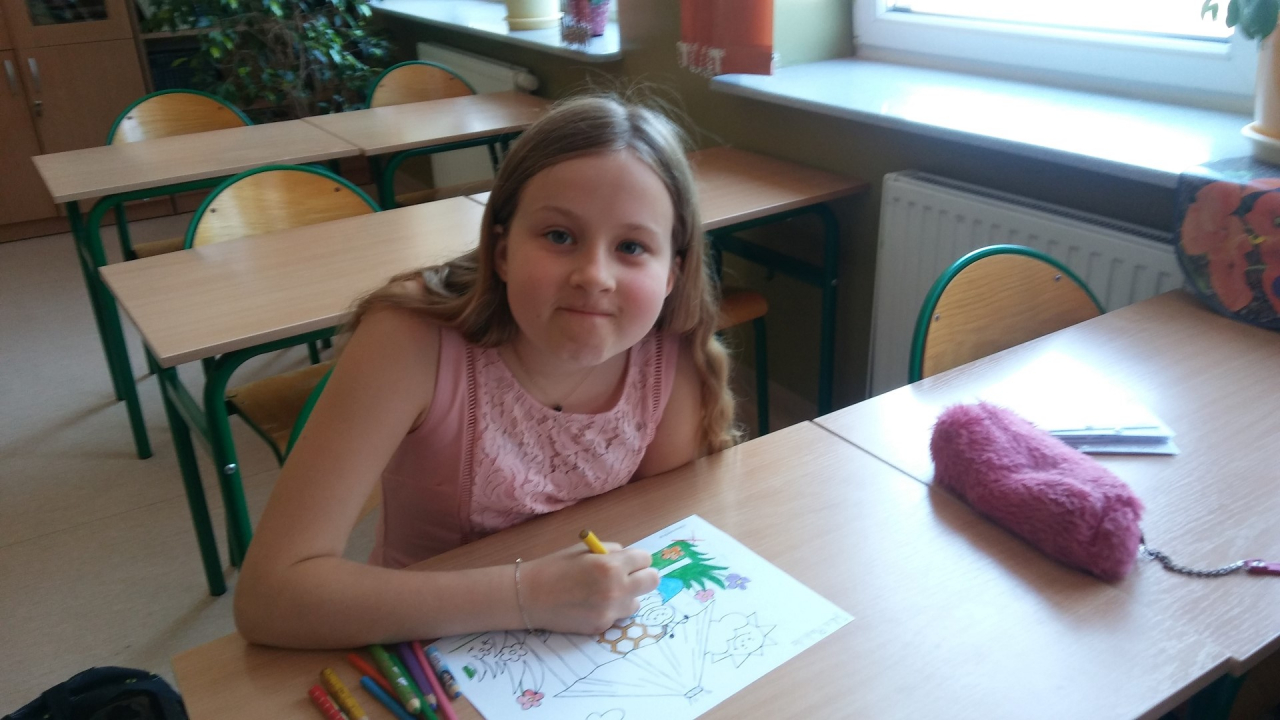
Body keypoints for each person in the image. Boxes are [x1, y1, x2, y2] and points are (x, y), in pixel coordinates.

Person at [234, 95, 740, 649]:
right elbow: (268, 596)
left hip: (583, 643)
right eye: (560, 236)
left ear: (671, 274)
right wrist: (529, 596)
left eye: (632, 246)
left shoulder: (666, 347)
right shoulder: (409, 338)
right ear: (502, 250)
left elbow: (664, 526)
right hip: (422, 641)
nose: (594, 275)